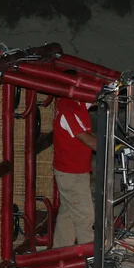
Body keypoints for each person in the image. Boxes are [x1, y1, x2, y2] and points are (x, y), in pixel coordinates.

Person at [52, 89, 97, 248]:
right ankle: (92, 257)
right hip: (72, 174)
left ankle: (59, 252)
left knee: (68, 214)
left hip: (72, 171)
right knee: (85, 216)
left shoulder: (76, 102)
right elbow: (90, 142)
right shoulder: (68, 112)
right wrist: (115, 147)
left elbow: (97, 97)